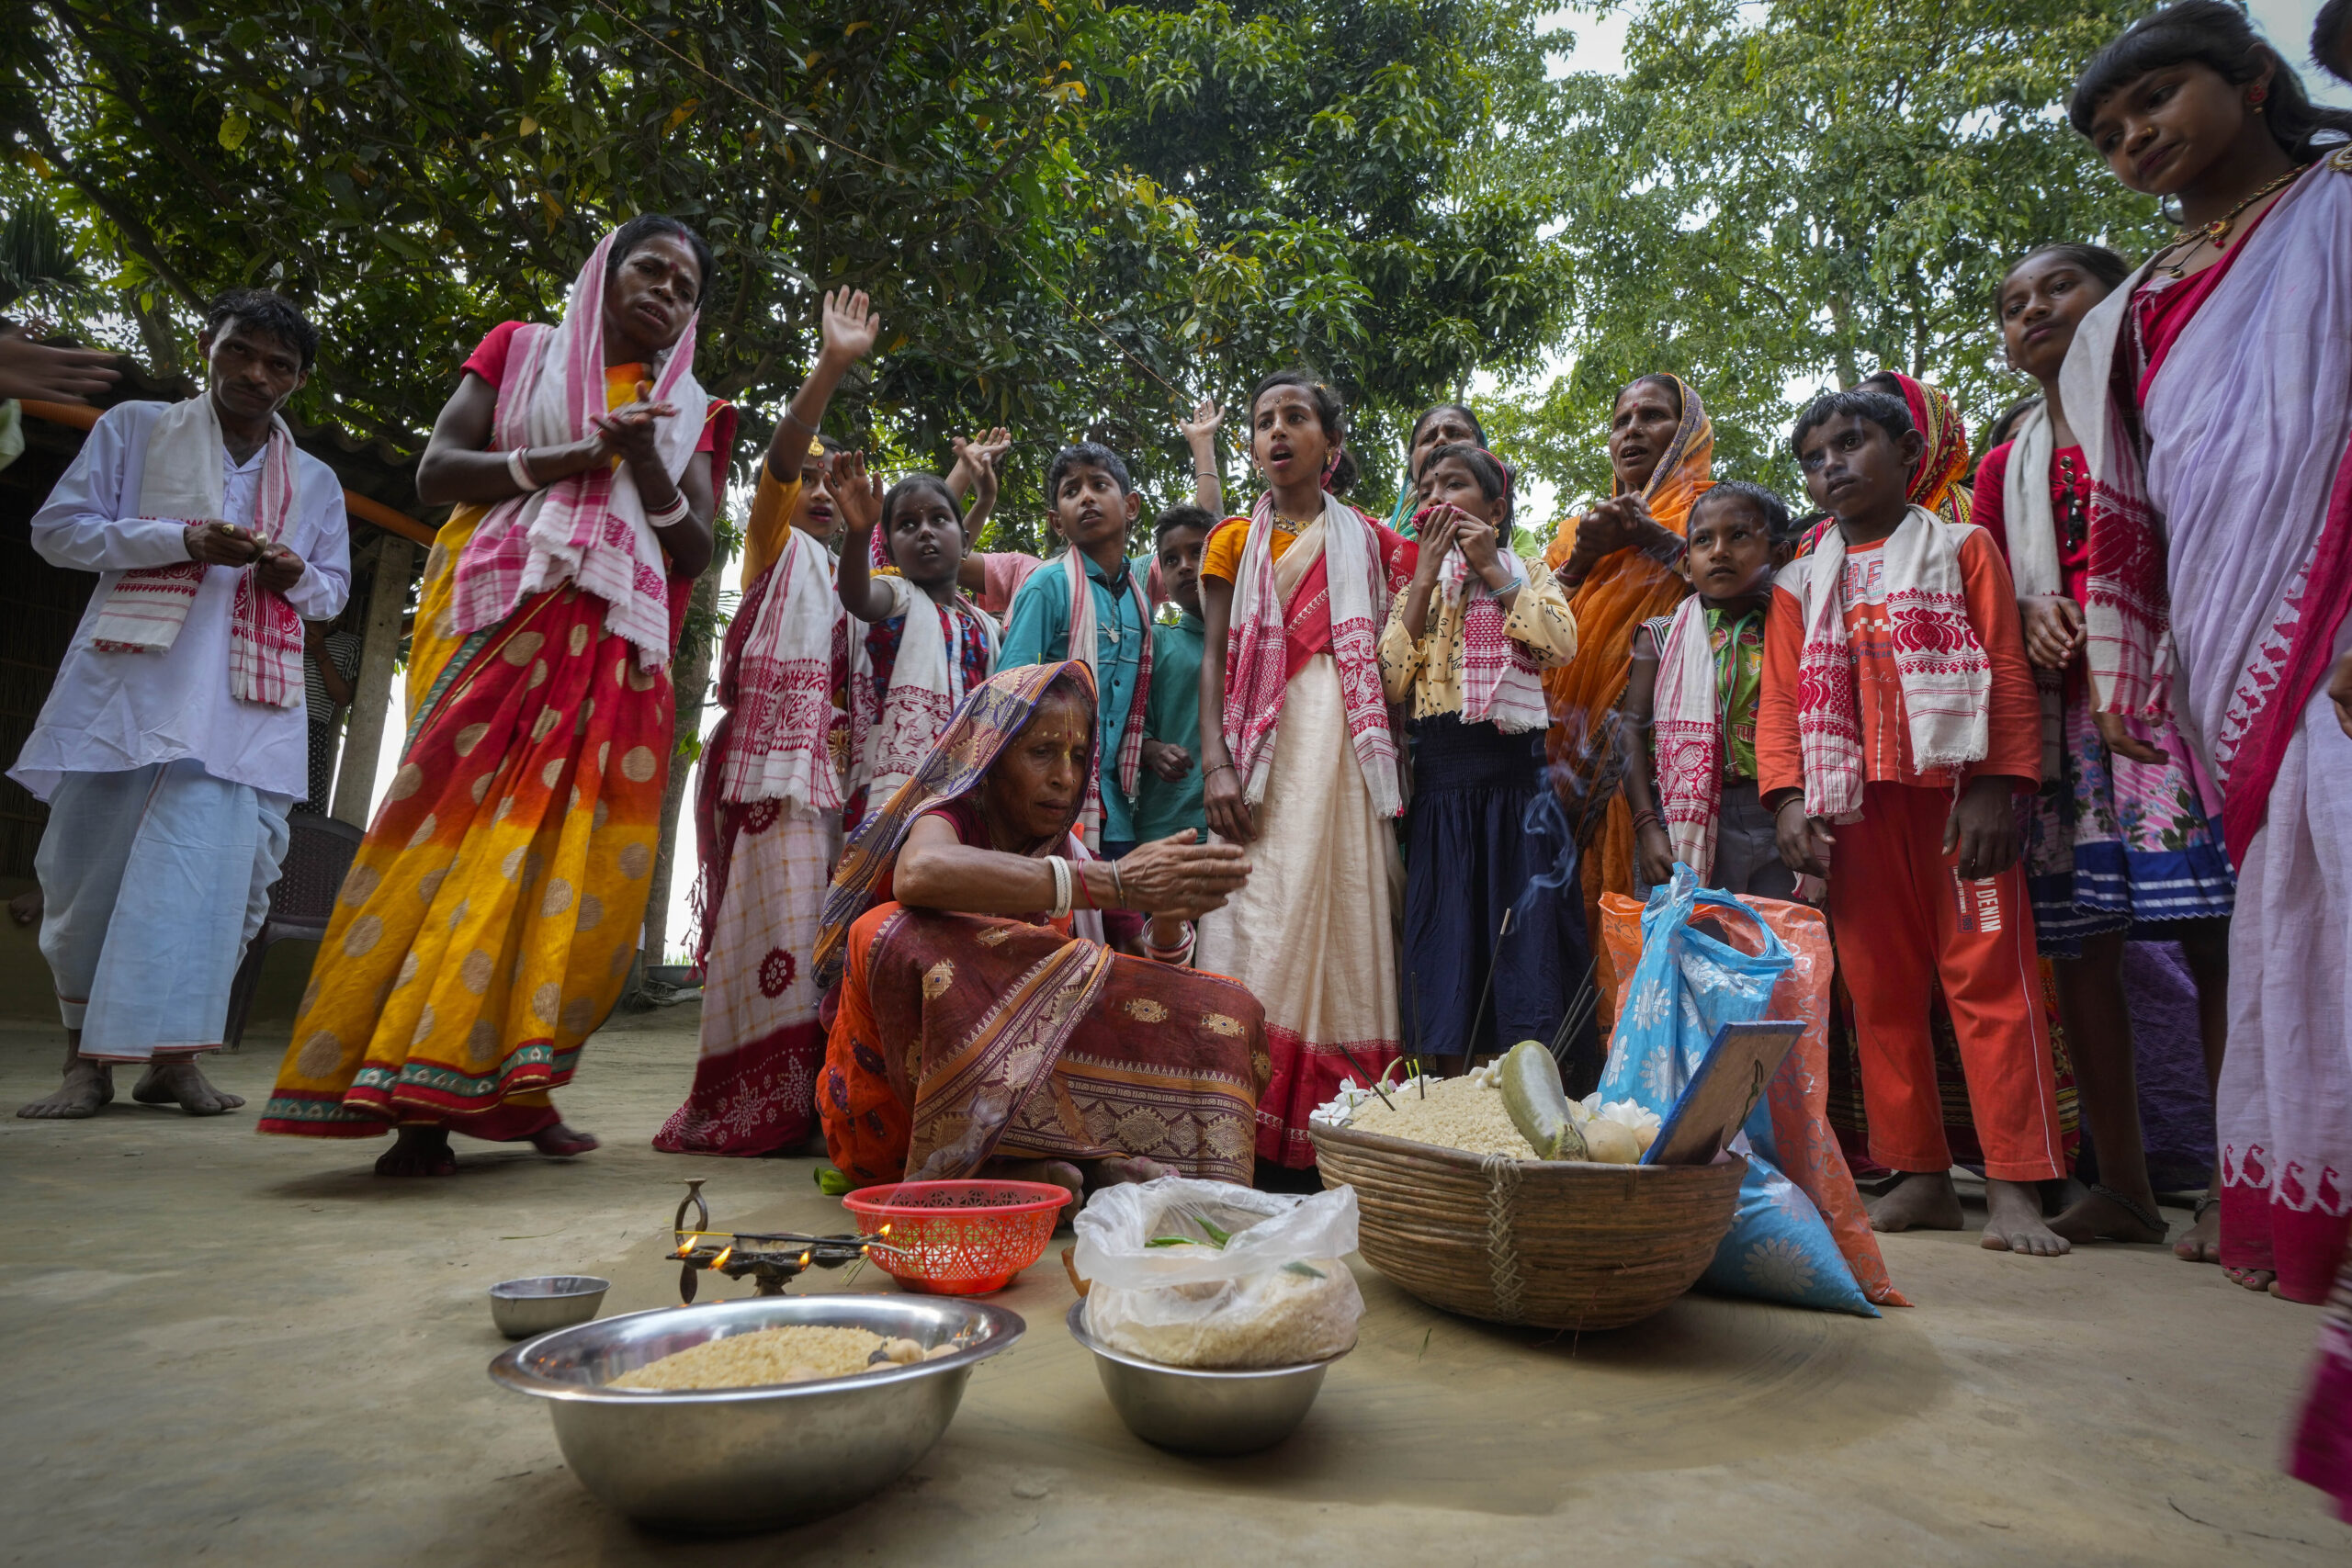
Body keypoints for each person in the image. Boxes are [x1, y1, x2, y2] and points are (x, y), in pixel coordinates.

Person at [259, 217, 733, 1173]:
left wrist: (640, 458)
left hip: (612, 653)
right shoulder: (518, 351)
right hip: (494, 626)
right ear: (605, 270)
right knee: (453, 854)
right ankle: (416, 1101)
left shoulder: (694, 409)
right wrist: (568, 459)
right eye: (651, 269)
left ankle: (521, 1088)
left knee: (573, 868)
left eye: (685, 288)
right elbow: (440, 471)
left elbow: (696, 549)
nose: (665, 293)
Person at [2064, 2, 2352, 1312]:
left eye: (2159, 101)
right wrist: (2130, 678)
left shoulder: (2338, 210)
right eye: (2114, 136)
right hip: (2227, 638)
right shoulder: (2143, 306)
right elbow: (2131, 511)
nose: (2137, 141)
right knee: (2294, 896)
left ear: (2252, 80)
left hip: (2331, 609)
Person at [13, 288, 349, 1120]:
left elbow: (332, 594)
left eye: (277, 364)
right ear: (209, 345)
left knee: (223, 890)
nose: (254, 373)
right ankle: (83, 1067)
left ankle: (176, 1063)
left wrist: (290, 575)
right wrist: (180, 537)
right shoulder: (134, 428)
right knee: (92, 880)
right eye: (240, 351)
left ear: (295, 383)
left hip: (245, 719)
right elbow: (58, 532)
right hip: (127, 699)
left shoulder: (314, 480)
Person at [1759, 388, 2068, 1256]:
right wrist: (1788, 800)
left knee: (1991, 988)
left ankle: (2014, 1185)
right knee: (1881, 994)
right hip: (1851, 815)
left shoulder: (1965, 548)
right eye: (1815, 457)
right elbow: (1782, 703)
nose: (1832, 466)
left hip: (1954, 807)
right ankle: (1919, 1173)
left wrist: (1995, 787)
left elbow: (2005, 664)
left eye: (1852, 444)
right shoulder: (1798, 580)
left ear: (1906, 452)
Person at [1978, 242, 2235, 1256]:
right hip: (2066, 728)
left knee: (2216, 936)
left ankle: (2237, 1182)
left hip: (2180, 699)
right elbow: (1996, 593)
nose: (2033, 310)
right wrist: (2035, 607)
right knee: (2083, 950)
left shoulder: (2170, 408)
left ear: (2118, 299)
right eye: (2011, 304)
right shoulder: (2007, 467)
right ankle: (2123, 1188)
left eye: (2058, 288)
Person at [811, 660, 1262, 1201]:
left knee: (1229, 1011)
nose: (1064, 778)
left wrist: (1166, 909)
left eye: (1077, 757)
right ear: (992, 760)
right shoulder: (949, 817)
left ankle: (1059, 1164)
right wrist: (1105, 882)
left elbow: (1149, 982)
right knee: (888, 932)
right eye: (1042, 752)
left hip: (1026, 1102)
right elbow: (918, 874)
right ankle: (991, 1167)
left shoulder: (1071, 853)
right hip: (891, 1124)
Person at [658, 287, 878, 1157]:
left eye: (838, 481)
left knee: (826, 947)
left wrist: (967, 486)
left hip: (840, 789)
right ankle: (758, 1109)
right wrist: (831, 365)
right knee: (776, 945)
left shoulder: (852, 576)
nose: (820, 491)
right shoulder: (773, 550)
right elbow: (783, 455)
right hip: (771, 785)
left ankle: (819, 1105)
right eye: (810, 481)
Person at [1196, 369, 1418, 1169]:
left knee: (1345, 910)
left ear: (1331, 440)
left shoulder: (1373, 541)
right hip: (1260, 759)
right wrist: (1216, 761)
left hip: (1348, 756)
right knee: (1250, 916)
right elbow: (1215, 657)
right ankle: (1234, 1119)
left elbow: (1417, 631)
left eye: (1296, 417)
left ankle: (1332, 1133)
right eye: (1263, 421)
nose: (1277, 432)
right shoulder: (1231, 539)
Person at [1380, 443, 1585, 1067]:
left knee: (1523, 951)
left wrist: (1492, 571)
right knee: (1447, 947)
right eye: (1426, 485)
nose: (1437, 496)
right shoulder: (1416, 591)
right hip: (1443, 796)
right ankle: (1445, 1093)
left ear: (1494, 508)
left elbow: (1559, 642)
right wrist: (1424, 577)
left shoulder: (1525, 569)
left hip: (1518, 797)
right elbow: (1387, 679)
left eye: (1455, 484)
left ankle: (1528, 1085)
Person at [1540, 374, 1710, 1021]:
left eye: (1653, 415)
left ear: (1687, 432)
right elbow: (1536, 630)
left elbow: (1743, 590)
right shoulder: (1574, 531)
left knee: (1671, 939)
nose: (1633, 429)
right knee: (1590, 935)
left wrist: (1653, 540)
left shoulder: (1713, 513)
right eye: (1622, 420)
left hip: (1673, 770)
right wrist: (1584, 556)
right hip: (1574, 776)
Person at [1621, 480, 1801, 899]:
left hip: (1780, 812)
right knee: (1693, 948)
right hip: (1683, 817)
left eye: (1738, 536)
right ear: (1686, 565)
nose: (1719, 551)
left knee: (1782, 949)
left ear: (1779, 555)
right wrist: (1647, 825)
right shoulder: (1660, 638)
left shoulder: (1798, 630)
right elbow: (1630, 732)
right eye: (1703, 540)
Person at [998, 443, 1152, 855]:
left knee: (1118, 913)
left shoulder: (1140, 601)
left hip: (1115, 805)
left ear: (1131, 505)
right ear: (1056, 522)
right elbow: (1008, 693)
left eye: (1099, 485)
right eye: (1071, 491)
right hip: (1051, 799)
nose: (1086, 497)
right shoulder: (1048, 585)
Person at [834, 455, 1000, 831]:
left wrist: (985, 500)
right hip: (894, 792)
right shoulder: (894, 596)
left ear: (965, 542)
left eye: (939, 519)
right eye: (907, 524)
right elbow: (856, 597)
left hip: (972, 791)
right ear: (890, 553)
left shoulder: (987, 627)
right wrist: (859, 533)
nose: (925, 530)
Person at [1134, 504, 1216, 847]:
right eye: (1171, 559)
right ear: (1163, 583)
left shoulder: (1255, 643)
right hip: (1166, 830)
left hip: (1242, 827)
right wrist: (1153, 751)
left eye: (1197, 552)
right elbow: (1129, 727)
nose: (1185, 566)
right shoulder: (1155, 642)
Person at [1384, 402, 1487, 538]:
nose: (1441, 440)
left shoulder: (1517, 544)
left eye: (1456, 434)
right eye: (1428, 439)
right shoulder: (1376, 541)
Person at [298, 607, 363, 812]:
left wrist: (320, 652)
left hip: (312, 730)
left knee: (307, 805)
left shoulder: (349, 645)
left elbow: (343, 697)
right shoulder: (285, 630)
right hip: (275, 720)